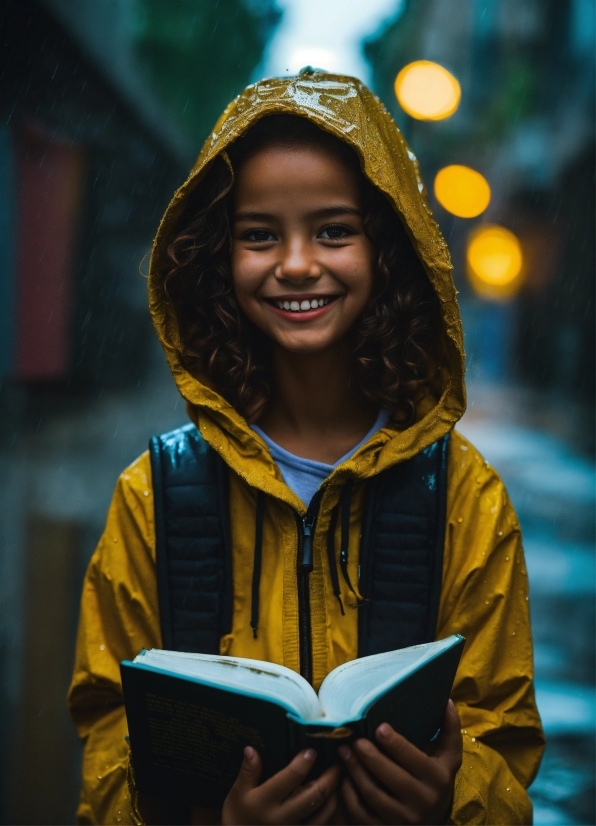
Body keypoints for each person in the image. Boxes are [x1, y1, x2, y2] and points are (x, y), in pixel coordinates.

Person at [68, 71, 544, 825]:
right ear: (217, 258)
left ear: (387, 249)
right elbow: (105, 738)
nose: (295, 263)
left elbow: (503, 738)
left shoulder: (463, 496)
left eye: (332, 230)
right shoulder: (152, 496)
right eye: (259, 234)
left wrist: (451, 801)